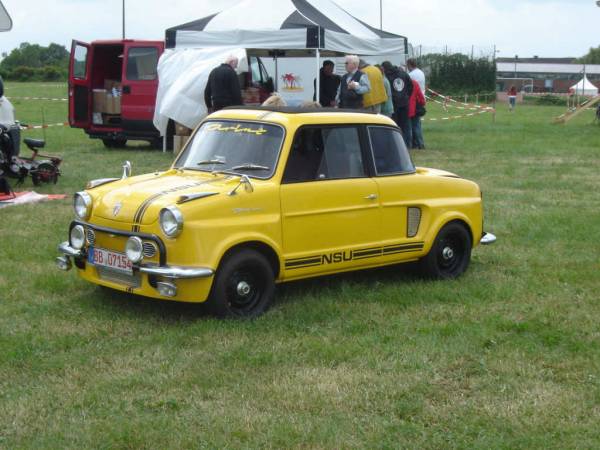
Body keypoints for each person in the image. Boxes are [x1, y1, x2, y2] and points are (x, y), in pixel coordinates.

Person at [382, 61, 413, 147]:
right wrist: (406, 96)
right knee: (405, 125)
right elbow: (411, 86)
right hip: (404, 103)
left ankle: (396, 144)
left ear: (384, 68)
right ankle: (407, 145)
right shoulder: (403, 73)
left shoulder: (387, 76)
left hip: (394, 103)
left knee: (394, 125)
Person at [407, 58, 426, 149]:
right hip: (420, 100)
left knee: (411, 126)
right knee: (417, 124)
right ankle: (419, 143)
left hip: (412, 102)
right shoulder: (421, 73)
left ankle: (413, 144)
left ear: (410, 65)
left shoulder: (410, 75)